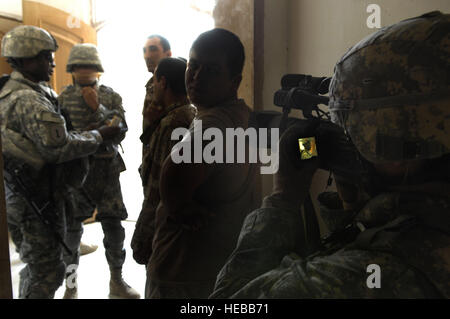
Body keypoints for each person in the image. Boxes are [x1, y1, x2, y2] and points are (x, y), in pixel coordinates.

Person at [210, 11, 450, 298]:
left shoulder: (347, 279)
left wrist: (283, 199)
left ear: (395, 158)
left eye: (348, 129)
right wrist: (353, 201)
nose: (344, 139)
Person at [0, 25, 120, 299]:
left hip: (50, 191)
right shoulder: (29, 99)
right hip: (35, 198)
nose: (52, 62)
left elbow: (120, 124)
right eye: (45, 56)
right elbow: (59, 147)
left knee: (37, 266)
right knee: (47, 272)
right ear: (25, 59)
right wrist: (98, 134)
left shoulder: (37, 93)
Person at [146, 28, 259, 298]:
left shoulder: (213, 124)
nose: (196, 77)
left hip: (183, 271)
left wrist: (179, 206)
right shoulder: (239, 114)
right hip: (215, 266)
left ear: (234, 80)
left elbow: (173, 175)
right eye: (193, 66)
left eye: (211, 71)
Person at [57, 43, 139, 299]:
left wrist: (97, 108)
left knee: (114, 228)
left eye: (90, 66)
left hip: (106, 170)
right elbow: (59, 136)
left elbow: (122, 128)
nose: (85, 71)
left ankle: (117, 281)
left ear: (98, 69)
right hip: (76, 172)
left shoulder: (110, 95)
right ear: (72, 68)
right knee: (72, 233)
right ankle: (71, 287)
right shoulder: (62, 98)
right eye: (80, 66)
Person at [131, 57, 196, 266]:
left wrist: (143, 237)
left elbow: (159, 188)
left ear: (163, 83)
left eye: (155, 81)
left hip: (165, 228)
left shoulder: (172, 123)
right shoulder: (188, 113)